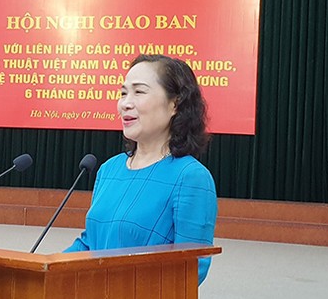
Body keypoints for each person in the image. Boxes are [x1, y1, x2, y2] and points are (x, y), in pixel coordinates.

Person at [64, 54, 218, 284]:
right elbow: (90, 245)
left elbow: (191, 268)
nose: (125, 103)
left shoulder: (190, 177)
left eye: (139, 92)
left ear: (175, 104)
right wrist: (45, 270)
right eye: (123, 93)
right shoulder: (109, 170)